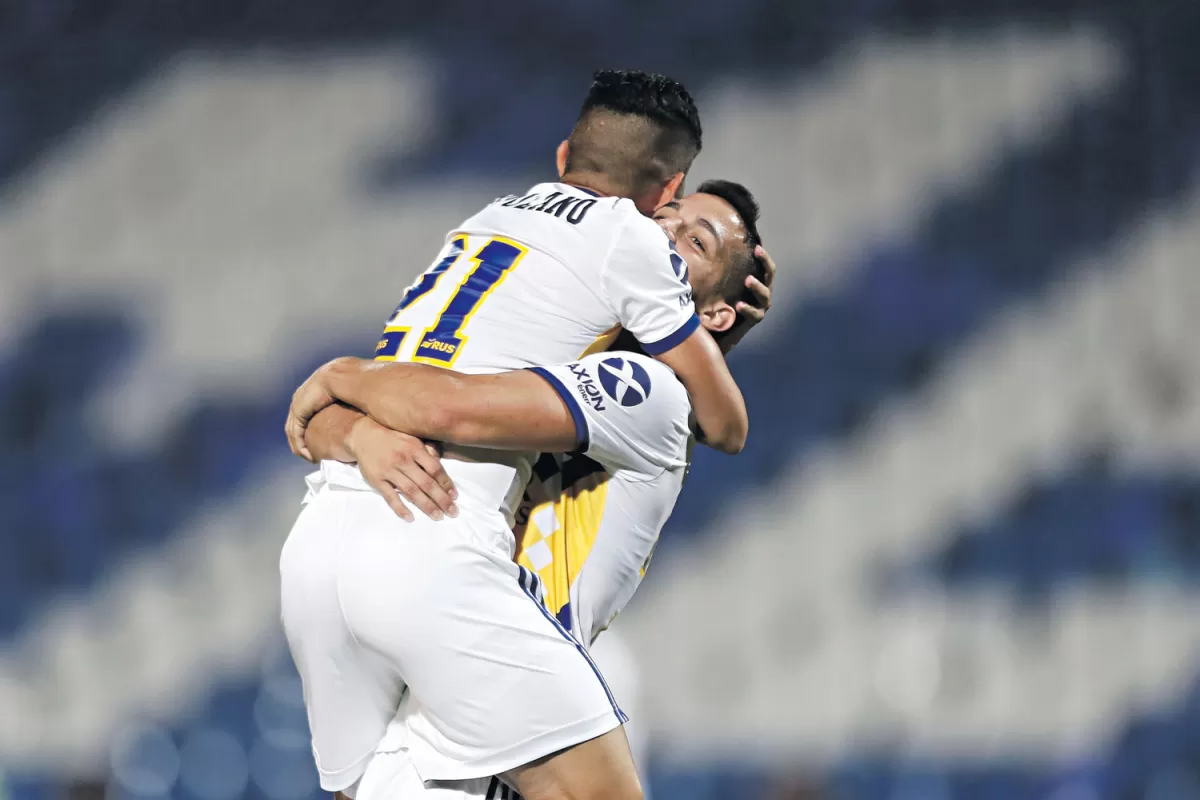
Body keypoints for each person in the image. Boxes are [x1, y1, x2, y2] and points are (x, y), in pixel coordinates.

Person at [279, 70, 749, 800]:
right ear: (660, 193)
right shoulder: (611, 298)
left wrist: (344, 385)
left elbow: (431, 401)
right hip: (437, 567)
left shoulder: (494, 229)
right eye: (674, 218)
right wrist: (356, 424)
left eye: (700, 243)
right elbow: (449, 411)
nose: (669, 239)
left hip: (325, 553)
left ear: (566, 157)